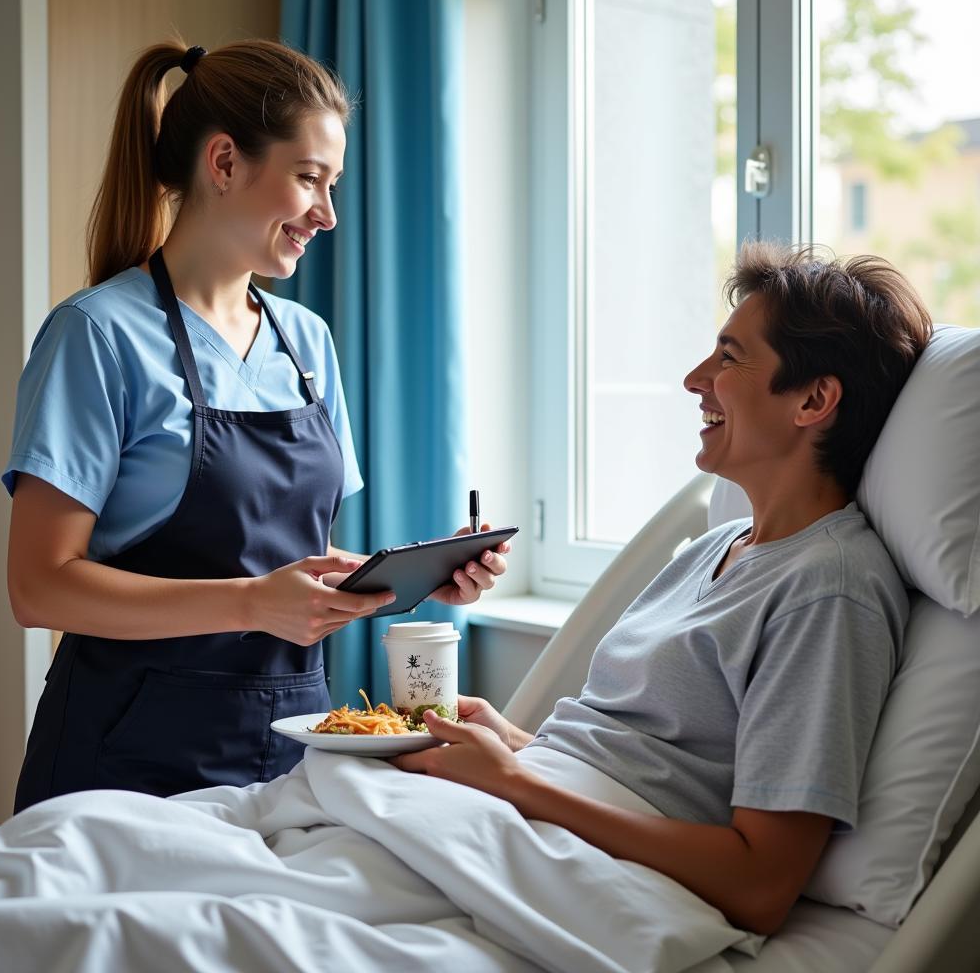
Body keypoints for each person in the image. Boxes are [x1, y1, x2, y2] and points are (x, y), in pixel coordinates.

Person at [5, 39, 508, 813]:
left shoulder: (306, 342)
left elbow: (284, 560)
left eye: (333, 184)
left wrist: (406, 580)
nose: (328, 214)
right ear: (225, 162)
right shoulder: (97, 335)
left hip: (295, 745)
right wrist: (249, 603)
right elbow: (39, 586)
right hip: (125, 763)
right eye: (309, 178)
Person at [396, 242, 933, 937]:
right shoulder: (717, 547)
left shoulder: (827, 590)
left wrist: (513, 783)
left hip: (573, 858)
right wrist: (516, 746)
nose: (693, 379)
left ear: (814, 399)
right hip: (537, 810)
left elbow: (761, 883)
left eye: (730, 358)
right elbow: (648, 758)